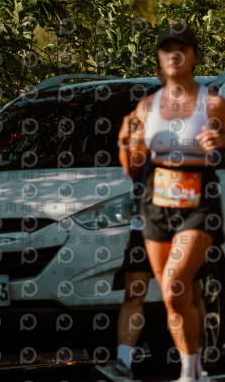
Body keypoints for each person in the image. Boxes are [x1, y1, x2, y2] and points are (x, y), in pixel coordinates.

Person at [119, 24, 225, 382]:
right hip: (155, 204)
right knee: (175, 295)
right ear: (159, 58)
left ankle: (190, 372)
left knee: (175, 283)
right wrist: (126, 142)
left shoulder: (213, 104)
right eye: (167, 49)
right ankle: (192, 368)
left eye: (182, 48)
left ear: (194, 56)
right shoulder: (147, 106)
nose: (174, 55)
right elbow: (134, 168)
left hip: (199, 202)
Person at [92, 160, 154, 382]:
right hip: (144, 222)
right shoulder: (140, 136)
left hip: (181, 220)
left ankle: (193, 368)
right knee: (134, 291)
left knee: (183, 293)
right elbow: (131, 167)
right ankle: (123, 365)